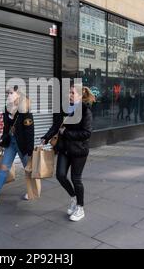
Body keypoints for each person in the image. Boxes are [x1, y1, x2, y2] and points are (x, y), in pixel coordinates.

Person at [41, 85, 95, 222]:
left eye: (72, 93)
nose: (69, 95)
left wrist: (67, 133)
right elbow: (56, 126)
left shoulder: (85, 110)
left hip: (78, 150)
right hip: (64, 148)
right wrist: (46, 137)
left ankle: (80, 208)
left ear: (80, 95)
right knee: (60, 175)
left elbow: (87, 133)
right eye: (69, 92)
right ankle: (73, 197)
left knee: (76, 179)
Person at [0, 86, 34, 207]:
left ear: (18, 95)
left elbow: (29, 131)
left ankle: (32, 191)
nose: (8, 95)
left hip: (23, 145)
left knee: (28, 169)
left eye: (11, 93)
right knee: (4, 168)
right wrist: (3, 142)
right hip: (11, 143)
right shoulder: (7, 108)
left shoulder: (25, 110)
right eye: (7, 93)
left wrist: (30, 151)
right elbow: (6, 127)